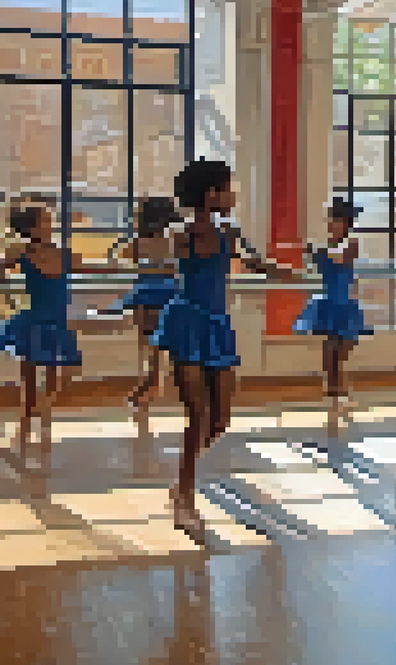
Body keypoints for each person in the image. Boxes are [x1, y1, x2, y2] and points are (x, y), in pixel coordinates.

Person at [153, 159, 298, 538]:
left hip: (216, 324)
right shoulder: (180, 233)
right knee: (198, 413)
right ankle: (184, 495)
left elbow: (252, 263)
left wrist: (284, 272)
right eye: (228, 188)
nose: (234, 195)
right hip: (187, 323)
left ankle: (182, 476)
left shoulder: (229, 232)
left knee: (220, 420)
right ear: (211, 194)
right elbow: (175, 259)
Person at [1, 204, 104, 470]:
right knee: (29, 378)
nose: (51, 224)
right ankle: (25, 425)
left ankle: (42, 414)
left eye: (49, 220)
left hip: (56, 323)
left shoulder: (63, 253)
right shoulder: (22, 253)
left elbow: (91, 268)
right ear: (32, 228)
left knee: (58, 376)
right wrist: (9, 299)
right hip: (33, 322)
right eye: (45, 221)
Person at [292, 197, 371, 440]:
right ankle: (333, 394)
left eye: (335, 219)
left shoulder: (351, 242)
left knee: (342, 349)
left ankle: (340, 392)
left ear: (346, 222)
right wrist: (313, 252)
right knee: (330, 351)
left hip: (343, 302)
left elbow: (339, 258)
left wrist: (316, 251)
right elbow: (321, 264)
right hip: (328, 301)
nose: (331, 224)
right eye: (330, 219)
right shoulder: (328, 244)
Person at [111, 197, 180, 424]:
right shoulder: (176, 241)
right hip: (171, 294)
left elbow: (116, 259)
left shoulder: (138, 243)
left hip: (147, 296)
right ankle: (150, 387)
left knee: (150, 348)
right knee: (167, 348)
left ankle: (148, 387)